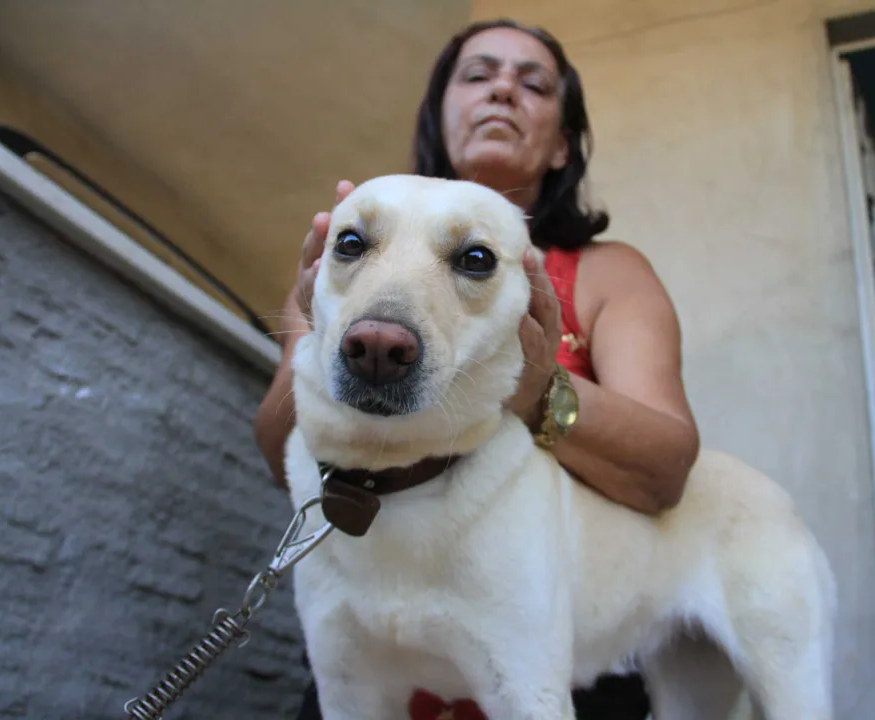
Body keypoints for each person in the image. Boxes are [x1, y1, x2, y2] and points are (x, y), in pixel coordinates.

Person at [252, 17, 701, 720]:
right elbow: (278, 456)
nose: (501, 90)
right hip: (376, 663)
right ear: (439, 116)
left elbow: (665, 470)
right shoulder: (342, 267)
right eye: (478, 74)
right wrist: (317, 336)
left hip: (558, 661)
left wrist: (534, 392)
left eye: (532, 83)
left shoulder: (609, 272)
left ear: (560, 145)